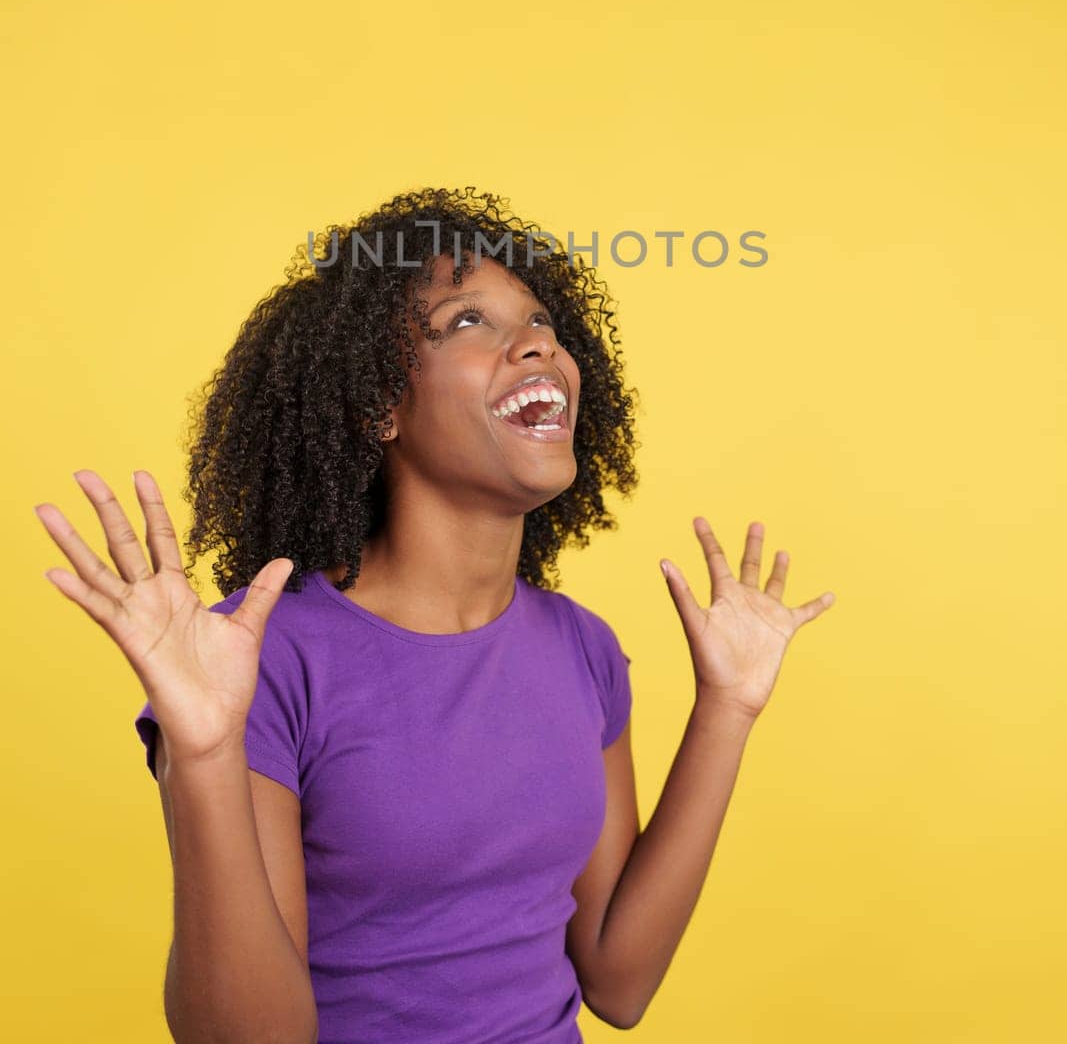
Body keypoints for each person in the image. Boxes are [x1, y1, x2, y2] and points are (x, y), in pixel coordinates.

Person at [34, 186, 835, 1044]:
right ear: (378, 405)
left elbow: (618, 981)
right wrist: (202, 754)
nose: (538, 342)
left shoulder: (580, 649)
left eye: (541, 325)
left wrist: (726, 709)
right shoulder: (258, 658)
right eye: (466, 323)